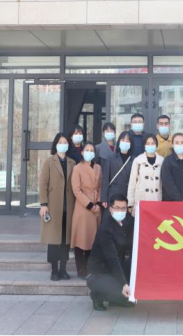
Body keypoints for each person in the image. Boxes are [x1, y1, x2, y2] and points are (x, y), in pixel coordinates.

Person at [87, 194, 135, 311]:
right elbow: (112, 258)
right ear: (111, 209)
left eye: (123, 208)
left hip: (113, 269)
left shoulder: (124, 223)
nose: (121, 211)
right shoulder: (105, 229)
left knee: (135, 274)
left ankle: (116, 299)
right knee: (121, 291)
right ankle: (97, 295)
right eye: (117, 208)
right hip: (99, 273)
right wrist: (124, 284)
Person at [39, 133, 76, 281]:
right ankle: (54, 270)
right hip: (53, 206)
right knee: (53, 240)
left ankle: (63, 269)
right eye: (60, 142)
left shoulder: (72, 163)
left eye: (65, 142)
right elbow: (43, 184)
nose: (63, 144)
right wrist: (43, 204)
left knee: (65, 241)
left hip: (69, 207)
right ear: (55, 144)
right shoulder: (49, 162)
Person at [70, 142, 102, 280]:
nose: (90, 152)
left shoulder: (98, 167)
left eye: (92, 150)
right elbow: (76, 190)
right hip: (83, 207)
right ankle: (81, 269)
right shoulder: (77, 168)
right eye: (87, 150)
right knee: (80, 239)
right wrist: (89, 205)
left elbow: (100, 187)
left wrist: (98, 203)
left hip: (96, 207)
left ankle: (89, 268)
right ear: (82, 152)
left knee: (92, 239)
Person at [127, 133, 163, 214]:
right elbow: (132, 183)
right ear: (144, 145)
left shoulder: (162, 161)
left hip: (156, 200)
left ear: (156, 145)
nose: (150, 145)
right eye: (148, 143)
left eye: (152, 143)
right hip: (141, 199)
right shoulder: (138, 160)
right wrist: (130, 203)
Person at [101, 131, 134, 205]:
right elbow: (105, 179)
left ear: (131, 144)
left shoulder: (134, 160)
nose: (125, 142)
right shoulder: (111, 158)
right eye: (123, 140)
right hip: (113, 195)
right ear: (119, 142)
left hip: (127, 195)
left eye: (127, 141)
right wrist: (104, 198)